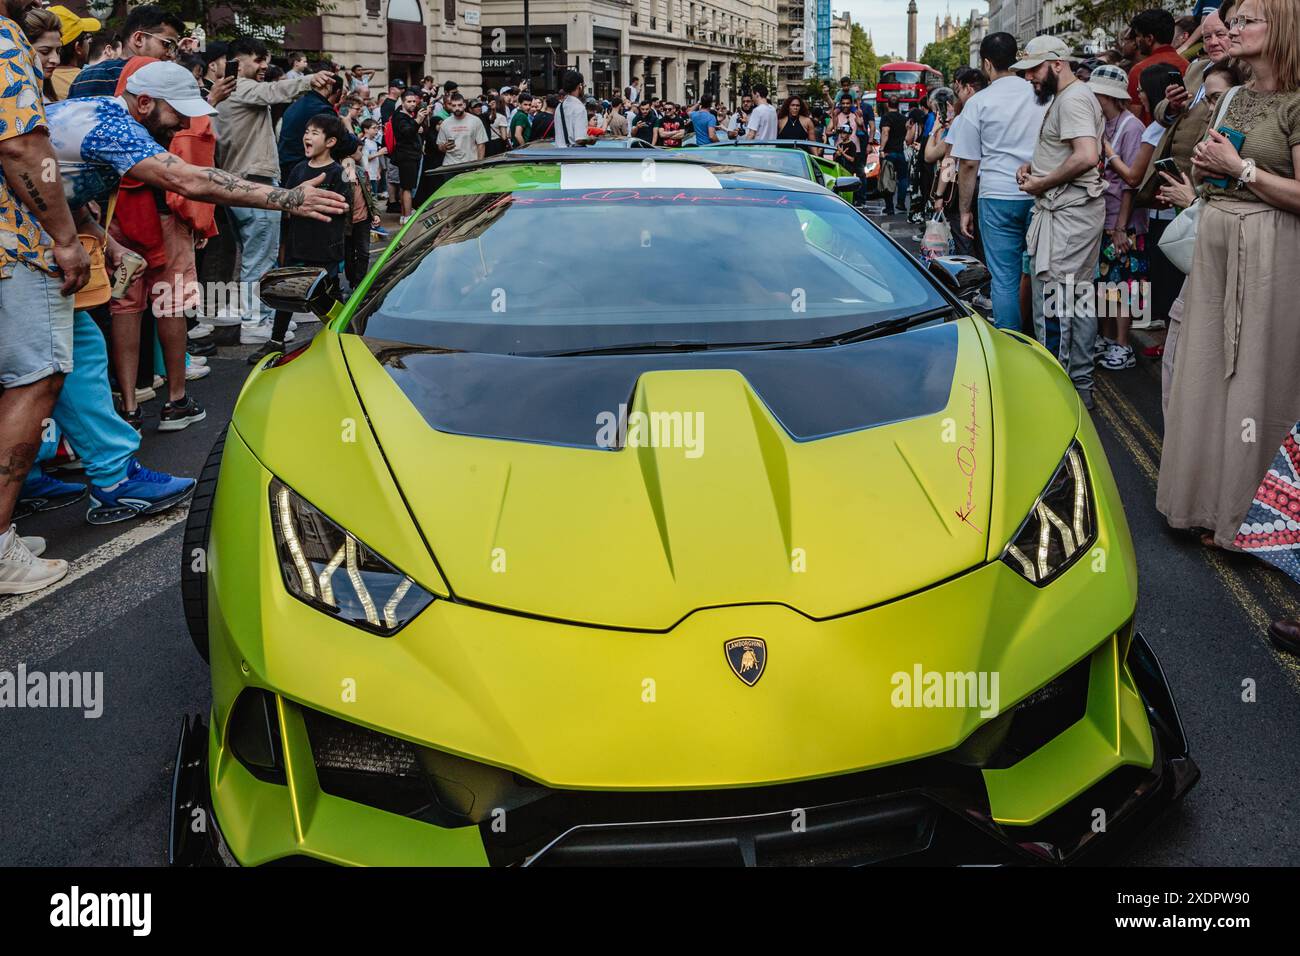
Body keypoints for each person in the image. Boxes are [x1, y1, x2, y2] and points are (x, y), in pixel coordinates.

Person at [1157, 0, 1300, 573]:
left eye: (1248, 21)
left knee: (1255, 383)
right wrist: (1208, 168)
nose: (1234, 30)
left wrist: (1240, 169)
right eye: (1233, 22)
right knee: (1205, 374)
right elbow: (1207, 166)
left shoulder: (1295, 102)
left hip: (1269, 248)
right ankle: (1200, 505)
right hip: (1216, 241)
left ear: (1285, 27)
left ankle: (1246, 519)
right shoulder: (1235, 96)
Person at [0, 0, 91, 592]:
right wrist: (65, 236)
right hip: (13, 249)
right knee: (34, 382)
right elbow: (22, 147)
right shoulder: (3, 37)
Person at [217, 37, 334, 343]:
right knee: (259, 257)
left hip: (244, 181)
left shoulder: (231, 93)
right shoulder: (240, 88)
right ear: (237, 62)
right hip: (253, 181)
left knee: (259, 255)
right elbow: (273, 90)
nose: (264, 66)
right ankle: (254, 322)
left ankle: (262, 316)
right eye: (257, 60)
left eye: (264, 60)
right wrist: (309, 80)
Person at [1014, 34, 1106, 409]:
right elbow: (1070, 154)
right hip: (1068, 215)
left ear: (1056, 64)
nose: (1029, 78)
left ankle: (1064, 395)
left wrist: (1042, 181)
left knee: (1060, 306)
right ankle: (1075, 389)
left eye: (1033, 69)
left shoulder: (1073, 99)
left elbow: (1087, 155)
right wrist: (1035, 168)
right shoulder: (1068, 97)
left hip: (1067, 218)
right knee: (1074, 301)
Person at [249, 112, 351, 365]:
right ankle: (276, 341)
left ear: (330, 142)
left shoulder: (337, 173)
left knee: (328, 295)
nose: (307, 136)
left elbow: (344, 208)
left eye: (315, 133)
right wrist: (284, 245)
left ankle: (342, 339)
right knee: (287, 292)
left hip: (325, 247)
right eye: (307, 132)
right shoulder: (298, 170)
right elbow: (286, 207)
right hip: (297, 244)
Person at [1089, 65, 1148, 371]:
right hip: (1105, 217)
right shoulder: (1106, 125)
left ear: (1105, 96)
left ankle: (1124, 345)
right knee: (1107, 283)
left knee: (1126, 285)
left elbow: (1131, 184)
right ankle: (1110, 339)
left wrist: (1121, 227)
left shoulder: (1131, 127)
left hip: (1124, 222)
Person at [66, 4, 183, 98]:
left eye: (174, 48)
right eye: (167, 44)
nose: (171, 55)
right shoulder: (156, 80)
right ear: (139, 39)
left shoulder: (86, 76)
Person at [1128, 8, 1190, 123]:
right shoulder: (1189, 66)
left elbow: (1134, 117)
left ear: (1149, 39)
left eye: (1138, 35)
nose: (1137, 40)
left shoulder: (1139, 70)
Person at [390, 88, 428, 222]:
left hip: (409, 155)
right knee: (407, 187)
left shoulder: (405, 116)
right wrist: (417, 121)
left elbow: (410, 130)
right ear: (402, 102)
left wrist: (417, 124)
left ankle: (404, 215)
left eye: (414, 101)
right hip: (407, 156)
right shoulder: (400, 116)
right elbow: (406, 133)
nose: (412, 104)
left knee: (405, 186)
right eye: (409, 101)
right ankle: (407, 217)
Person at [47, 5, 98, 101]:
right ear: (78, 47)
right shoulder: (91, 81)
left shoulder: (35, 81)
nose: (89, 42)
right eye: (87, 37)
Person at [878, 97, 910, 215]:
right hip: (901, 152)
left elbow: (885, 132)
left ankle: (889, 207)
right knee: (902, 178)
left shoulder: (886, 117)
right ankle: (901, 203)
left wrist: (881, 148)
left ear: (887, 104)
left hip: (889, 152)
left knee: (888, 178)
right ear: (898, 105)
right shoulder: (904, 118)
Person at [436, 91, 488, 165]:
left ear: (464, 105)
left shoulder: (475, 121)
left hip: (470, 164)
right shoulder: (445, 123)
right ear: (451, 106)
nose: (457, 108)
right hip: (450, 165)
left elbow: (481, 145)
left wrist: (479, 165)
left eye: (459, 105)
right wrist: (444, 147)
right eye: (454, 105)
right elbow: (439, 145)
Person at [553, 70, 588, 147]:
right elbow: (580, 139)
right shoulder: (579, 108)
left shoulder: (560, 107)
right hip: (574, 155)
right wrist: (592, 140)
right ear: (580, 86)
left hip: (559, 154)